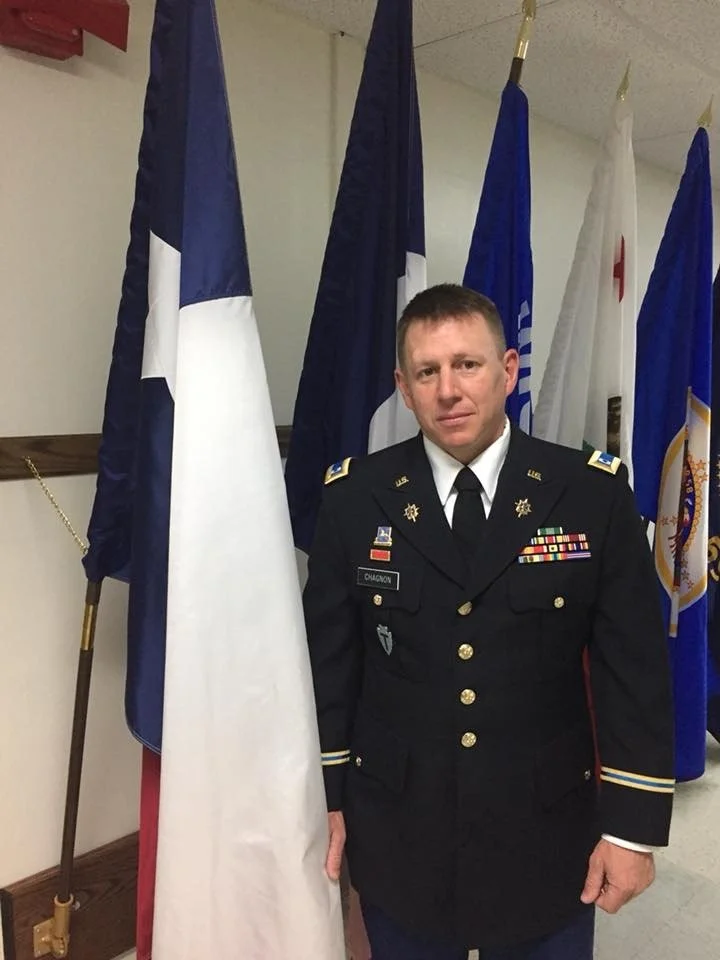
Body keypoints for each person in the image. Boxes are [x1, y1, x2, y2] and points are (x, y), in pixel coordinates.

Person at [303, 284, 674, 960]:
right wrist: (323, 798)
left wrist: (632, 829)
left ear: (507, 370)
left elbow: (634, 672)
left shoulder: (591, 495)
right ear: (403, 387)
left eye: (467, 365)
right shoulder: (355, 500)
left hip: (546, 829)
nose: (448, 389)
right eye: (427, 371)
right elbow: (330, 668)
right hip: (398, 827)